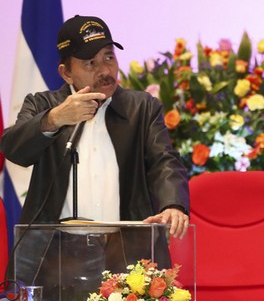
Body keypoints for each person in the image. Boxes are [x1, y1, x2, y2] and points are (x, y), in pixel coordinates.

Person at [1, 15, 189, 235]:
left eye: (109, 57)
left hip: (125, 247)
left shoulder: (142, 107)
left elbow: (164, 160)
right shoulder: (42, 105)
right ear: (66, 73)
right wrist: (55, 118)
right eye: (91, 63)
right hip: (57, 248)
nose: (105, 71)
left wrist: (173, 204)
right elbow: (14, 150)